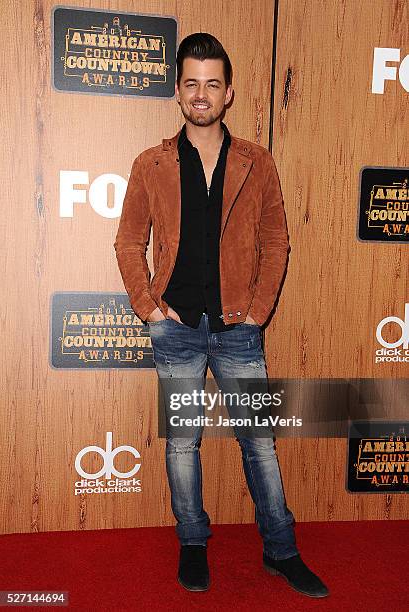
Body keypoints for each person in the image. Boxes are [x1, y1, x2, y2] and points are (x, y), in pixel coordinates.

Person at [114, 32, 329, 598]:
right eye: (192, 84)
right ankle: (192, 543)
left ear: (228, 93)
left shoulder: (257, 163)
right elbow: (129, 241)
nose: (202, 94)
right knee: (183, 443)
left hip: (239, 330)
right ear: (179, 93)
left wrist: (257, 313)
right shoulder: (151, 164)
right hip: (177, 329)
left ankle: (281, 551)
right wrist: (148, 308)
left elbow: (277, 242)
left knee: (258, 443)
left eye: (213, 84)